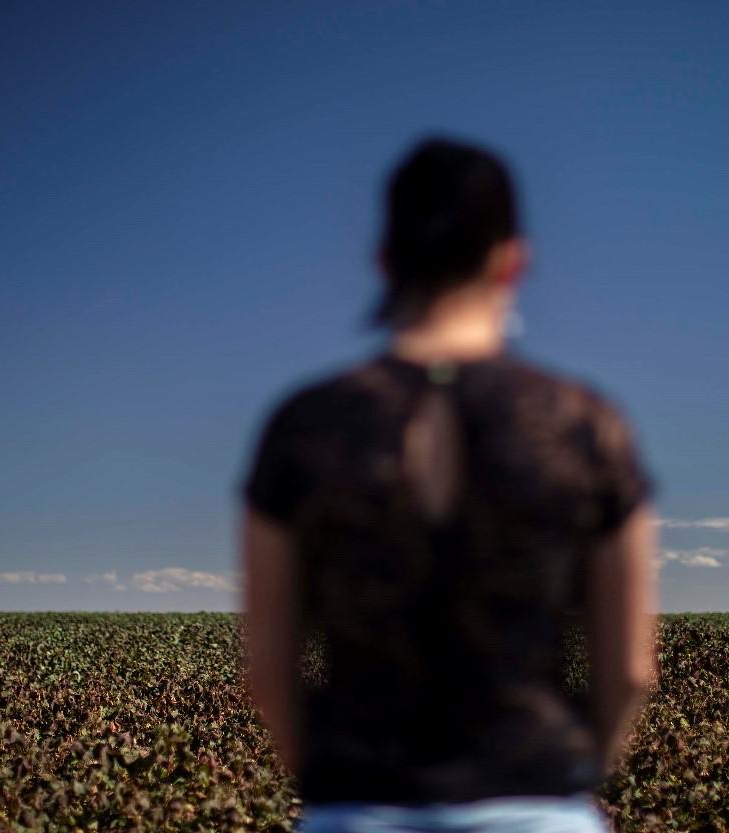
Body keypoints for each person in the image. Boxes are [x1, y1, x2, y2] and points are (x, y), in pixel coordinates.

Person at [238, 133, 660, 833]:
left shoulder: (303, 425)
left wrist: (334, 786)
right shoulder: (587, 426)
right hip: (536, 804)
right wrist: (567, 780)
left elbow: (268, 670)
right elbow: (630, 669)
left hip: (359, 805)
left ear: (383, 260)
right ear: (512, 261)